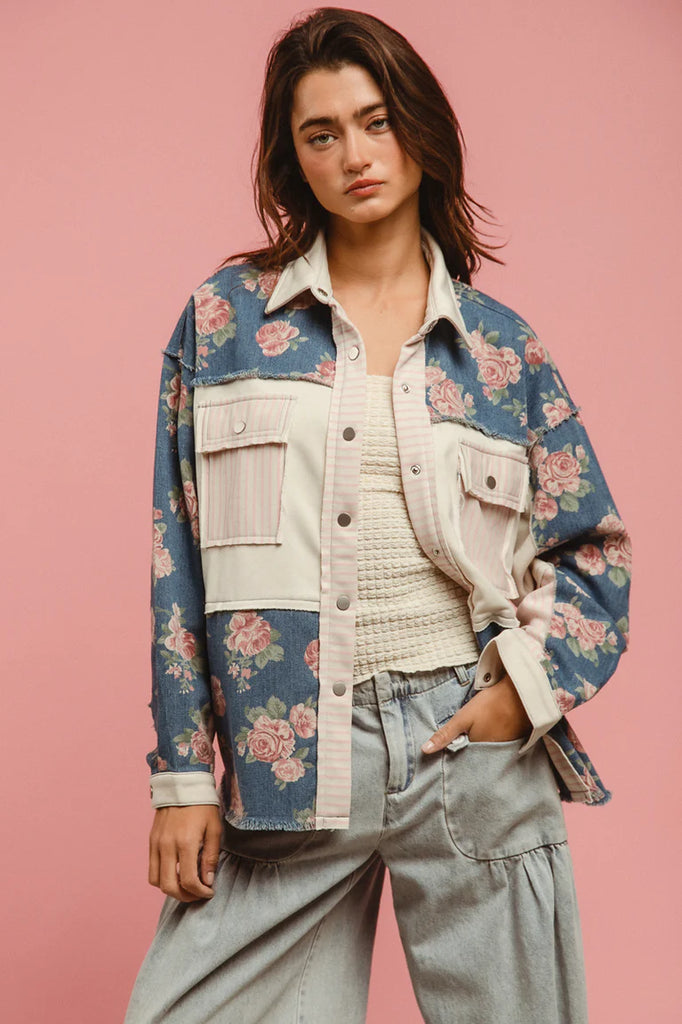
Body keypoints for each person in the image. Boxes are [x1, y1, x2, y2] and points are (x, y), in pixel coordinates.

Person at [124, 7, 631, 1023]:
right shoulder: (224, 322)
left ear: (420, 129)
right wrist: (183, 775)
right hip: (290, 752)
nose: (355, 155)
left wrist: (518, 695)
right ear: (292, 159)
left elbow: (593, 555)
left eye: (376, 121)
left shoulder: (503, 352)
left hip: (470, 742)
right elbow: (177, 554)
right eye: (321, 134)